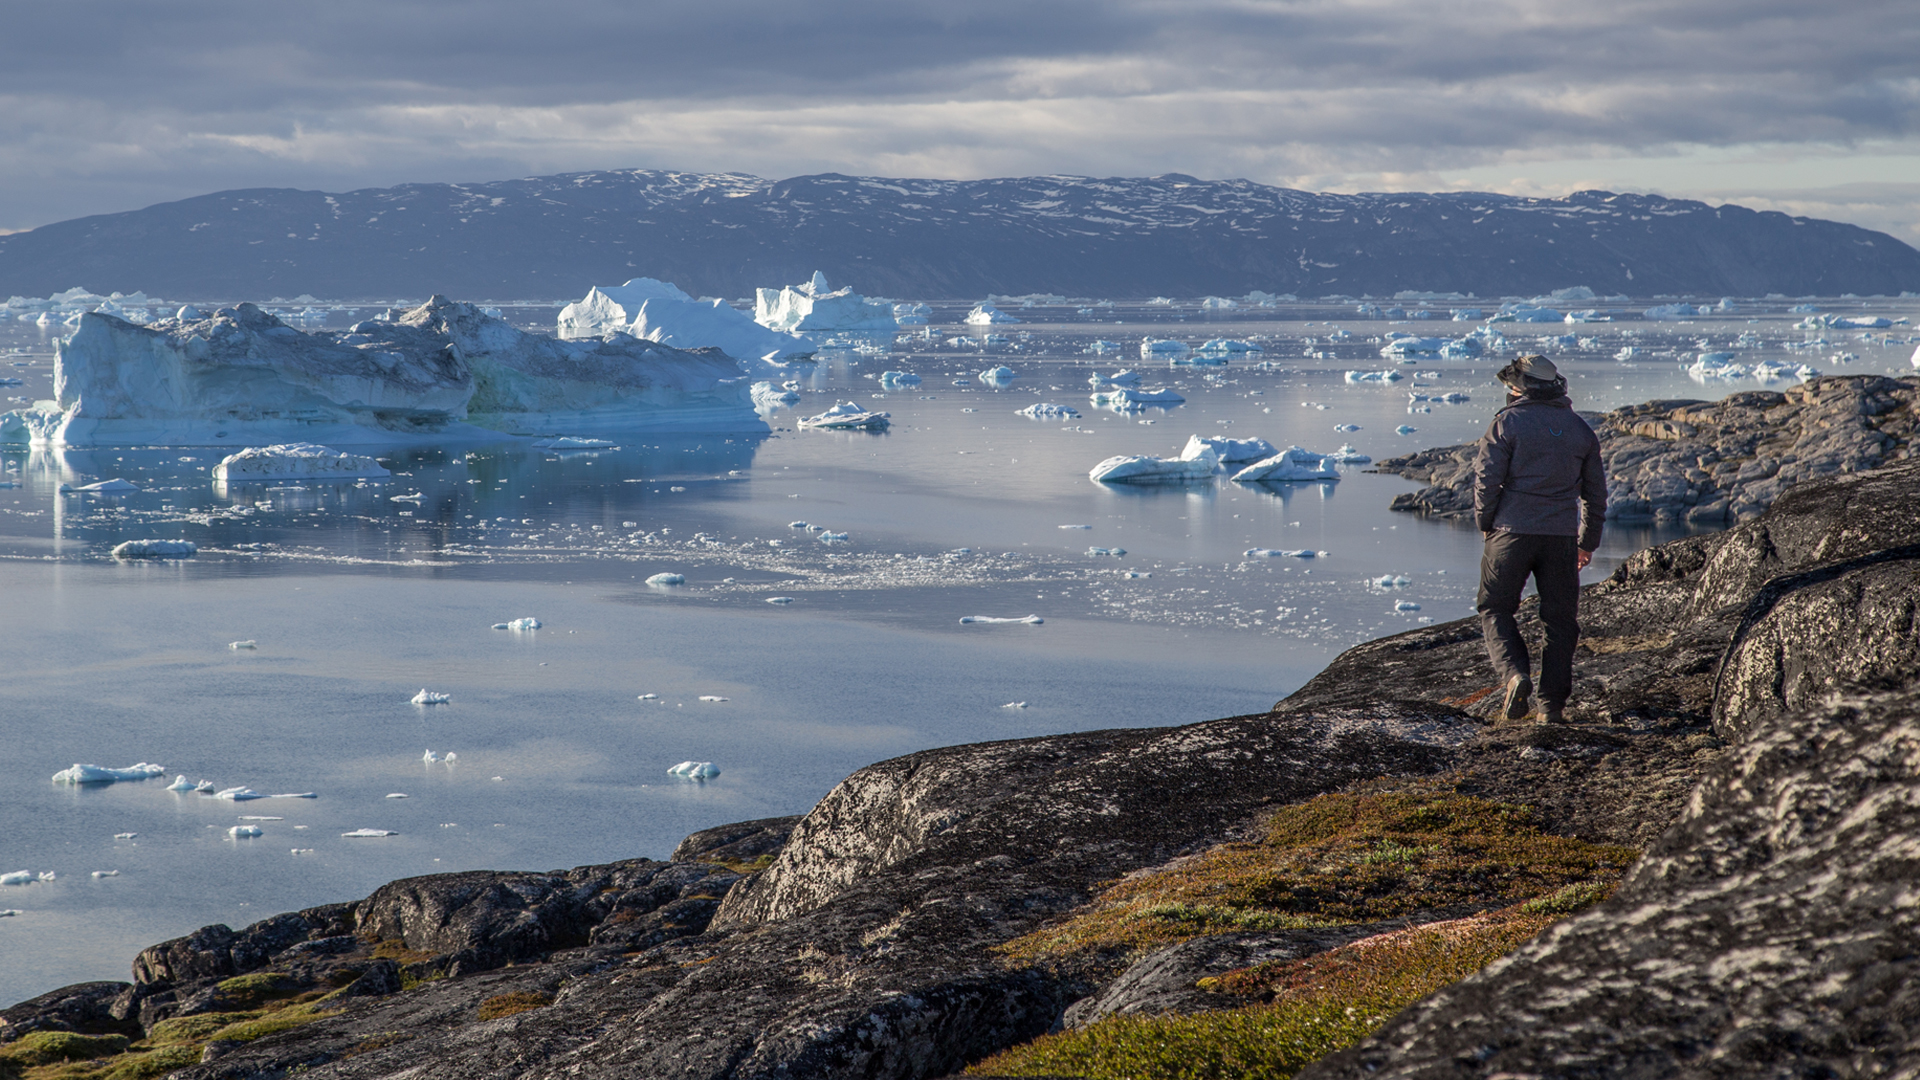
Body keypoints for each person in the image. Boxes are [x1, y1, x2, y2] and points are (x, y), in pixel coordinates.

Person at [1472, 354, 1607, 724]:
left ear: (1521, 388)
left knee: (1495, 607)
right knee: (1560, 622)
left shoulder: (1506, 424)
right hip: (1561, 539)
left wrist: (1487, 525)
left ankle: (1516, 675)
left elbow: (1486, 481)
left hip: (1510, 534)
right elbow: (1595, 495)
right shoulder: (1579, 429)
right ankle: (1551, 708)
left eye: (1511, 384)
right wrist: (1587, 542)